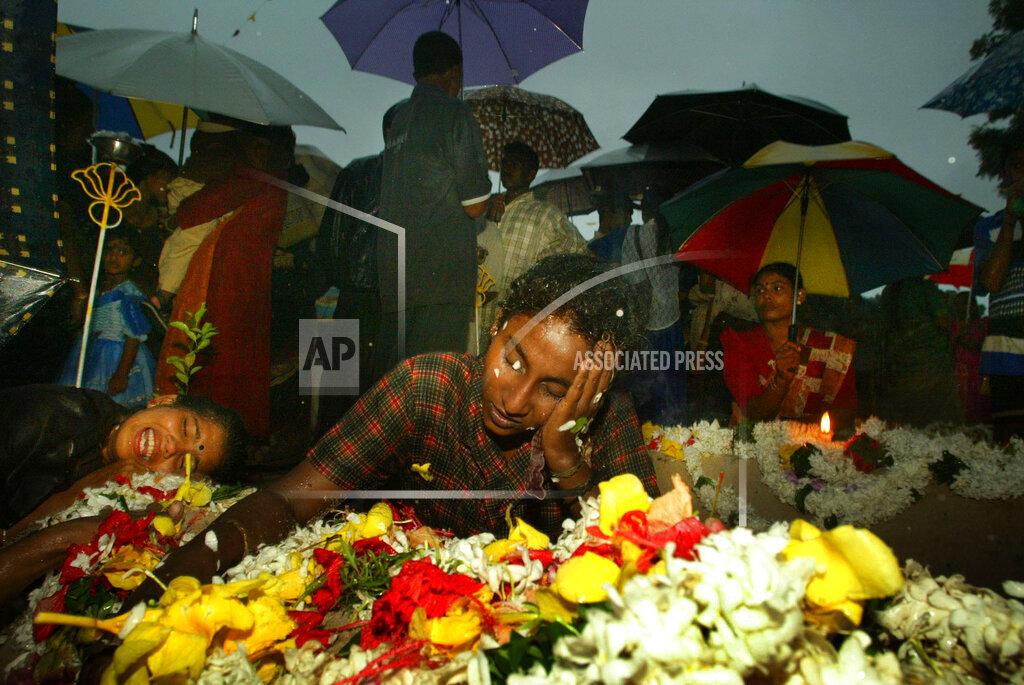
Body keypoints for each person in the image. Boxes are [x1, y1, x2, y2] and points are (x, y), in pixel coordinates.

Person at [139, 254, 659, 592]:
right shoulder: (425, 386)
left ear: (595, 390)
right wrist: (173, 578)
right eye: (513, 358)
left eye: (554, 389)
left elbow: (652, 563)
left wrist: (566, 462)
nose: (515, 399)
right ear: (496, 327)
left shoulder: (607, 421)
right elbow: (291, 497)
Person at [154, 123, 292, 438]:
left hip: (222, 281)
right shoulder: (277, 181)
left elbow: (190, 213)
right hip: (249, 283)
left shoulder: (248, 177)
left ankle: (206, 436)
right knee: (236, 364)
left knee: (211, 362)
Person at [375, 31, 492, 376]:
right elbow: (474, 205)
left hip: (397, 279)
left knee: (398, 388)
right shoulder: (456, 113)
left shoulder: (399, 119)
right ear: (455, 73)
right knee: (432, 387)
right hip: (440, 279)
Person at [0, 384, 246, 535]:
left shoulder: (134, 499)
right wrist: (79, 492)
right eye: (185, 428)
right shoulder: (45, 417)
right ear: (163, 401)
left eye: (185, 464)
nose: (172, 447)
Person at [721, 263, 858, 430]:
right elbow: (753, 413)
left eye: (777, 288)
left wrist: (800, 433)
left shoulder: (832, 347)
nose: (767, 296)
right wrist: (780, 379)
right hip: (754, 445)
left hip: (812, 445)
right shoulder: (739, 343)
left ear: (799, 296)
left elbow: (846, 412)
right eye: (760, 290)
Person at [475, 141, 588, 340]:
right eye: (505, 162)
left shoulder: (546, 215)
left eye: (516, 163)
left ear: (531, 174)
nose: (507, 167)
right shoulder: (485, 208)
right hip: (475, 317)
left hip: (513, 323)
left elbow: (579, 253)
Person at [56, 227, 157, 409]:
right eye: (109, 249)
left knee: (108, 406)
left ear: (136, 261)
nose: (114, 256)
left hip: (115, 356)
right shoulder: (99, 290)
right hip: (91, 353)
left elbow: (134, 335)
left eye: (123, 252)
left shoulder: (128, 293)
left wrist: (122, 373)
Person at [621, 188, 687, 425]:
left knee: (646, 393)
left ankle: (650, 445)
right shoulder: (676, 238)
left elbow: (637, 286)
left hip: (648, 326)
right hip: (675, 323)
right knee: (674, 390)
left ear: (645, 209)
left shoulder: (635, 235)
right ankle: (677, 442)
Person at [977, 135, 1024, 441]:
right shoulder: (990, 227)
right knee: (1010, 450)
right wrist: (1010, 219)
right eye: (1017, 165)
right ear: (1006, 175)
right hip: (1005, 353)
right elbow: (991, 281)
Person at [878, 277, 963, 426]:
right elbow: (944, 321)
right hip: (929, 362)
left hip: (898, 363)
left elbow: (882, 325)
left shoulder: (889, 291)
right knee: (932, 413)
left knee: (905, 413)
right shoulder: (926, 289)